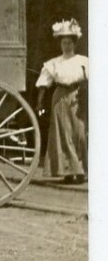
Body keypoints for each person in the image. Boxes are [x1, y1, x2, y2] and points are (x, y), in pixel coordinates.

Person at [36, 18, 88, 184]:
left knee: (80, 133)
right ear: (60, 44)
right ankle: (68, 172)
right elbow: (43, 85)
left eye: (69, 42)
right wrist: (40, 104)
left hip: (78, 96)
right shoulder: (53, 63)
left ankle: (81, 169)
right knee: (64, 134)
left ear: (74, 43)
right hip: (59, 98)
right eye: (64, 43)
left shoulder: (83, 61)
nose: (66, 46)